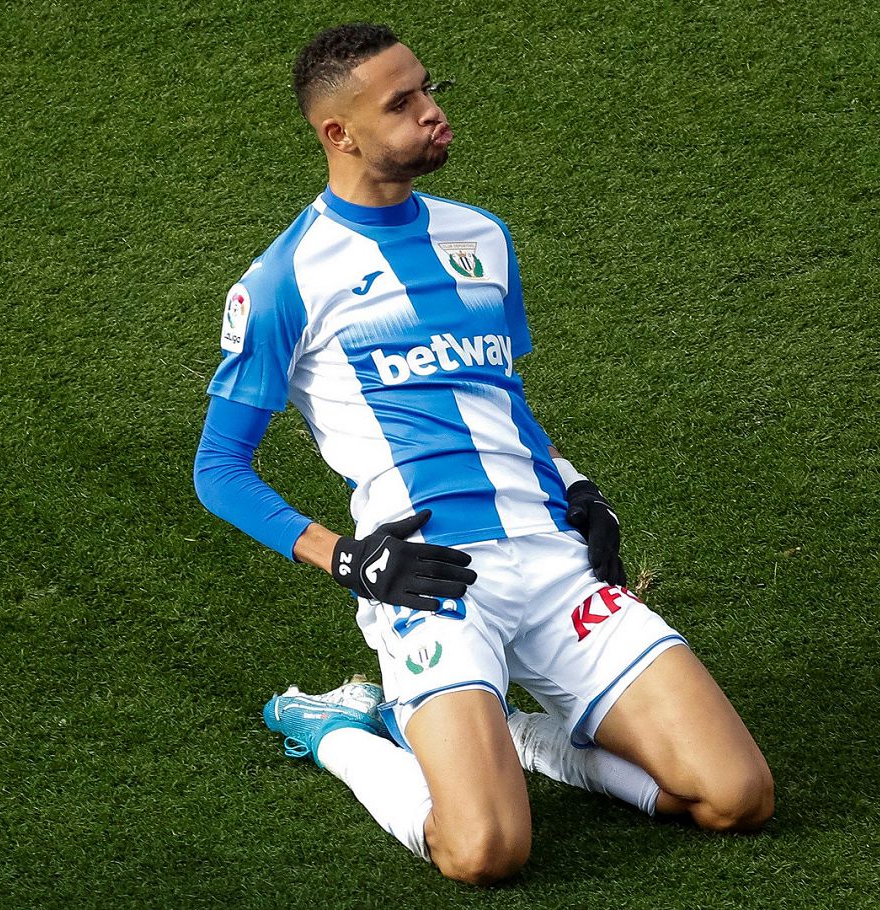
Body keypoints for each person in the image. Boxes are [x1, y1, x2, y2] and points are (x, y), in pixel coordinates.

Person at [192, 23, 773, 886]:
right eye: (403, 103)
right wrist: (348, 559)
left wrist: (579, 488)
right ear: (338, 134)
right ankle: (342, 731)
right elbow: (219, 470)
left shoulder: (481, 239)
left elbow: (500, 400)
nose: (432, 113)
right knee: (485, 853)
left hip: (554, 562)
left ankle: (522, 737)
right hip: (432, 581)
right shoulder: (287, 280)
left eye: (430, 90)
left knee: (736, 797)